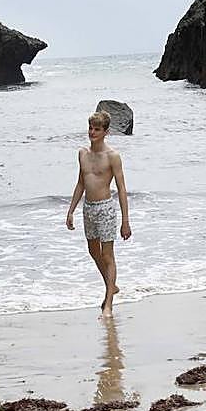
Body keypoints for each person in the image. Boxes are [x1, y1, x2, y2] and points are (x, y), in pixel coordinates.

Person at [66, 111, 131, 317]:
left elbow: (121, 188)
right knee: (93, 252)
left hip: (106, 208)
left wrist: (125, 221)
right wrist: (70, 211)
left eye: (97, 129)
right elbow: (80, 183)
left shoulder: (112, 156)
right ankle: (112, 286)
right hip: (89, 209)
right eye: (90, 128)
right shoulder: (82, 154)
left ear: (106, 132)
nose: (92, 132)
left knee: (107, 255)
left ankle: (109, 304)